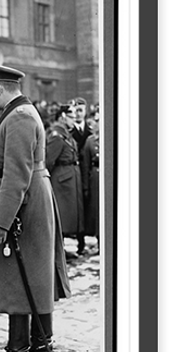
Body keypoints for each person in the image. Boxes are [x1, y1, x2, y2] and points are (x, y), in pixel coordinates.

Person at [0, 61, 70, 352]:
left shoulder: (17, 117)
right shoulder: (22, 113)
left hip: (24, 200)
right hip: (32, 197)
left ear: (0, 88)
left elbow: (15, 176)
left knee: (19, 271)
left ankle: (18, 350)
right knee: (35, 269)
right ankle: (41, 341)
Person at [46, 104, 85, 259]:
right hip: (61, 182)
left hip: (69, 180)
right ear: (62, 117)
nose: (74, 120)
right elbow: (49, 161)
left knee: (68, 217)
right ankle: (57, 252)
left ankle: (61, 251)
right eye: (71, 117)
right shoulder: (57, 135)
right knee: (61, 217)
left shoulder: (66, 134)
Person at [69, 97, 92, 255]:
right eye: (74, 111)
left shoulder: (91, 132)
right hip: (76, 174)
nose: (77, 114)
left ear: (85, 112)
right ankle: (80, 242)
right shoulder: (69, 133)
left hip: (89, 174)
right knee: (77, 208)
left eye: (80, 110)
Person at [81, 108, 100, 252]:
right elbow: (86, 163)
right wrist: (86, 186)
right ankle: (100, 239)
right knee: (96, 210)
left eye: (99, 121)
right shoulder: (90, 141)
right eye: (96, 121)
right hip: (95, 177)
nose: (96, 124)